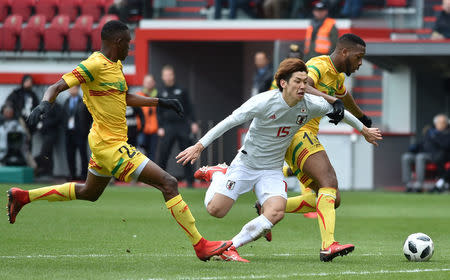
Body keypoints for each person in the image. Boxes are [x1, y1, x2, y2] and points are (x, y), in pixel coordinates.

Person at [7, 20, 232, 262]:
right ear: (117, 42)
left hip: (105, 142)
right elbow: (57, 86)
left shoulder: (116, 66)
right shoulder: (93, 64)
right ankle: (200, 245)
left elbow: (123, 97)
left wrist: (160, 102)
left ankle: (23, 197)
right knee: (168, 182)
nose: (129, 48)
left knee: (89, 192)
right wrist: (44, 104)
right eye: (128, 43)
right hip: (110, 146)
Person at [176, 58, 382, 262]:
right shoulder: (263, 101)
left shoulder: (310, 104)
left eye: (305, 81)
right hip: (246, 164)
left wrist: (364, 131)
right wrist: (199, 146)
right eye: (298, 81)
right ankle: (219, 175)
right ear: (283, 83)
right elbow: (228, 122)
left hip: (272, 169)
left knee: (276, 212)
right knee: (216, 210)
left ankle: (230, 247)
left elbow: (342, 113)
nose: (303, 86)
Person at [263, 34, 374, 261]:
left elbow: (345, 96)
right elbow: (305, 87)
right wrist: (333, 101)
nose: (360, 62)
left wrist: (362, 117)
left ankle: (269, 206)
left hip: (301, 135)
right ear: (344, 52)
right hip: (297, 131)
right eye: (359, 57)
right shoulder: (318, 65)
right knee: (329, 180)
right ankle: (328, 245)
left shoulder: (336, 77)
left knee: (333, 198)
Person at [157, 65, 199, 187]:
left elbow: (190, 107)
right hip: (167, 127)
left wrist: (193, 122)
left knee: (187, 153)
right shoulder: (160, 92)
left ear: (173, 76)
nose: (168, 77)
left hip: (182, 125)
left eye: (169, 74)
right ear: (163, 77)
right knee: (164, 153)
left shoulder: (182, 90)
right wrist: (160, 127)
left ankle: (190, 181)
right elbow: (158, 111)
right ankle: (159, 180)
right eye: (165, 75)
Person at [402, 114, 450, 192]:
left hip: (435, 156)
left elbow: (446, 145)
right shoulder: (430, 131)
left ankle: (419, 185)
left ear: (446, 123)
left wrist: (435, 136)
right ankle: (408, 185)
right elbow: (423, 142)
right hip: (423, 152)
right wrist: (414, 147)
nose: (441, 124)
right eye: (439, 122)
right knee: (406, 157)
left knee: (420, 157)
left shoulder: (447, 133)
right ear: (435, 123)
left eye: (443, 122)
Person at [63, 85, 92, 180]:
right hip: (69, 132)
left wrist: (85, 129)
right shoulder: (67, 102)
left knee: (83, 154)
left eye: (73, 88)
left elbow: (89, 117)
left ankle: (84, 175)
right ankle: (72, 174)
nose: (71, 90)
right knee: (70, 154)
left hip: (80, 132)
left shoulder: (83, 101)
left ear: (78, 89)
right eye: (70, 88)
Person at [34, 101, 62, 177]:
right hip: (44, 133)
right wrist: (40, 125)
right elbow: (39, 117)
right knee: (49, 153)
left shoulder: (56, 106)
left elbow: (58, 118)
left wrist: (45, 124)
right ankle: (49, 171)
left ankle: (41, 168)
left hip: (52, 133)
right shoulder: (43, 106)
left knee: (44, 152)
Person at [136, 74, 159, 162]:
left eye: (150, 82)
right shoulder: (138, 96)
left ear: (154, 83)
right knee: (140, 154)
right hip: (142, 130)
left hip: (154, 130)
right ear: (143, 83)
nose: (148, 84)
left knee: (152, 155)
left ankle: (150, 175)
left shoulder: (158, 96)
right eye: (147, 82)